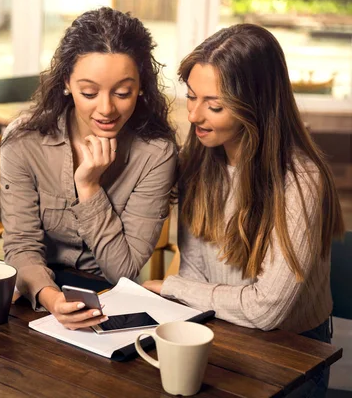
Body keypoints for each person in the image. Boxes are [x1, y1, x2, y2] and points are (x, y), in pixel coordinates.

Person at [142, 24, 344, 397]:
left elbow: (267, 311)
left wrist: (173, 288)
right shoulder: (199, 161)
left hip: (293, 354)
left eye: (214, 105)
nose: (194, 116)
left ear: (257, 105)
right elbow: (196, 271)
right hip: (221, 329)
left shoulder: (301, 181)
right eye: (191, 97)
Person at [0, 7, 177, 330]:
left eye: (123, 92)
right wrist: (52, 298)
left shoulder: (156, 153)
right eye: (89, 92)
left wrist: (90, 188)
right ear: (66, 81)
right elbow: (21, 244)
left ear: (141, 86)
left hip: (112, 296)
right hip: (37, 291)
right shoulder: (24, 141)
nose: (107, 109)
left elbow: (122, 270)